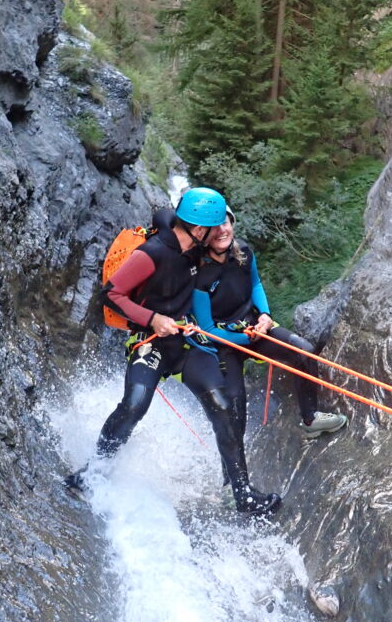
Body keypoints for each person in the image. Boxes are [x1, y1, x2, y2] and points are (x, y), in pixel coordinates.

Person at [96, 187, 281, 516]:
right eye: (215, 227)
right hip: (151, 340)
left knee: (222, 405)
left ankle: (243, 494)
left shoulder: (197, 251)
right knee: (135, 404)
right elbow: (112, 294)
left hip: (186, 342)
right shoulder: (151, 254)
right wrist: (153, 319)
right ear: (199, 230)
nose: (221, 232)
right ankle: (95, 470)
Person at [190, 207, 347, 451]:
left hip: (253, 326)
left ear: (232, 223)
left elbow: (255, 284)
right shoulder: (199, 271)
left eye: (225, 223)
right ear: (203, 234)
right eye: (213, 227)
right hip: (224, 342)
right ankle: (231, 471)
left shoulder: (242, 251)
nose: (221, 230)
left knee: (303, 351)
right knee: (235, 403)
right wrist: (242, 338)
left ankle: (310, 418)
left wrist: (265, 315)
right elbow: (207, 328)